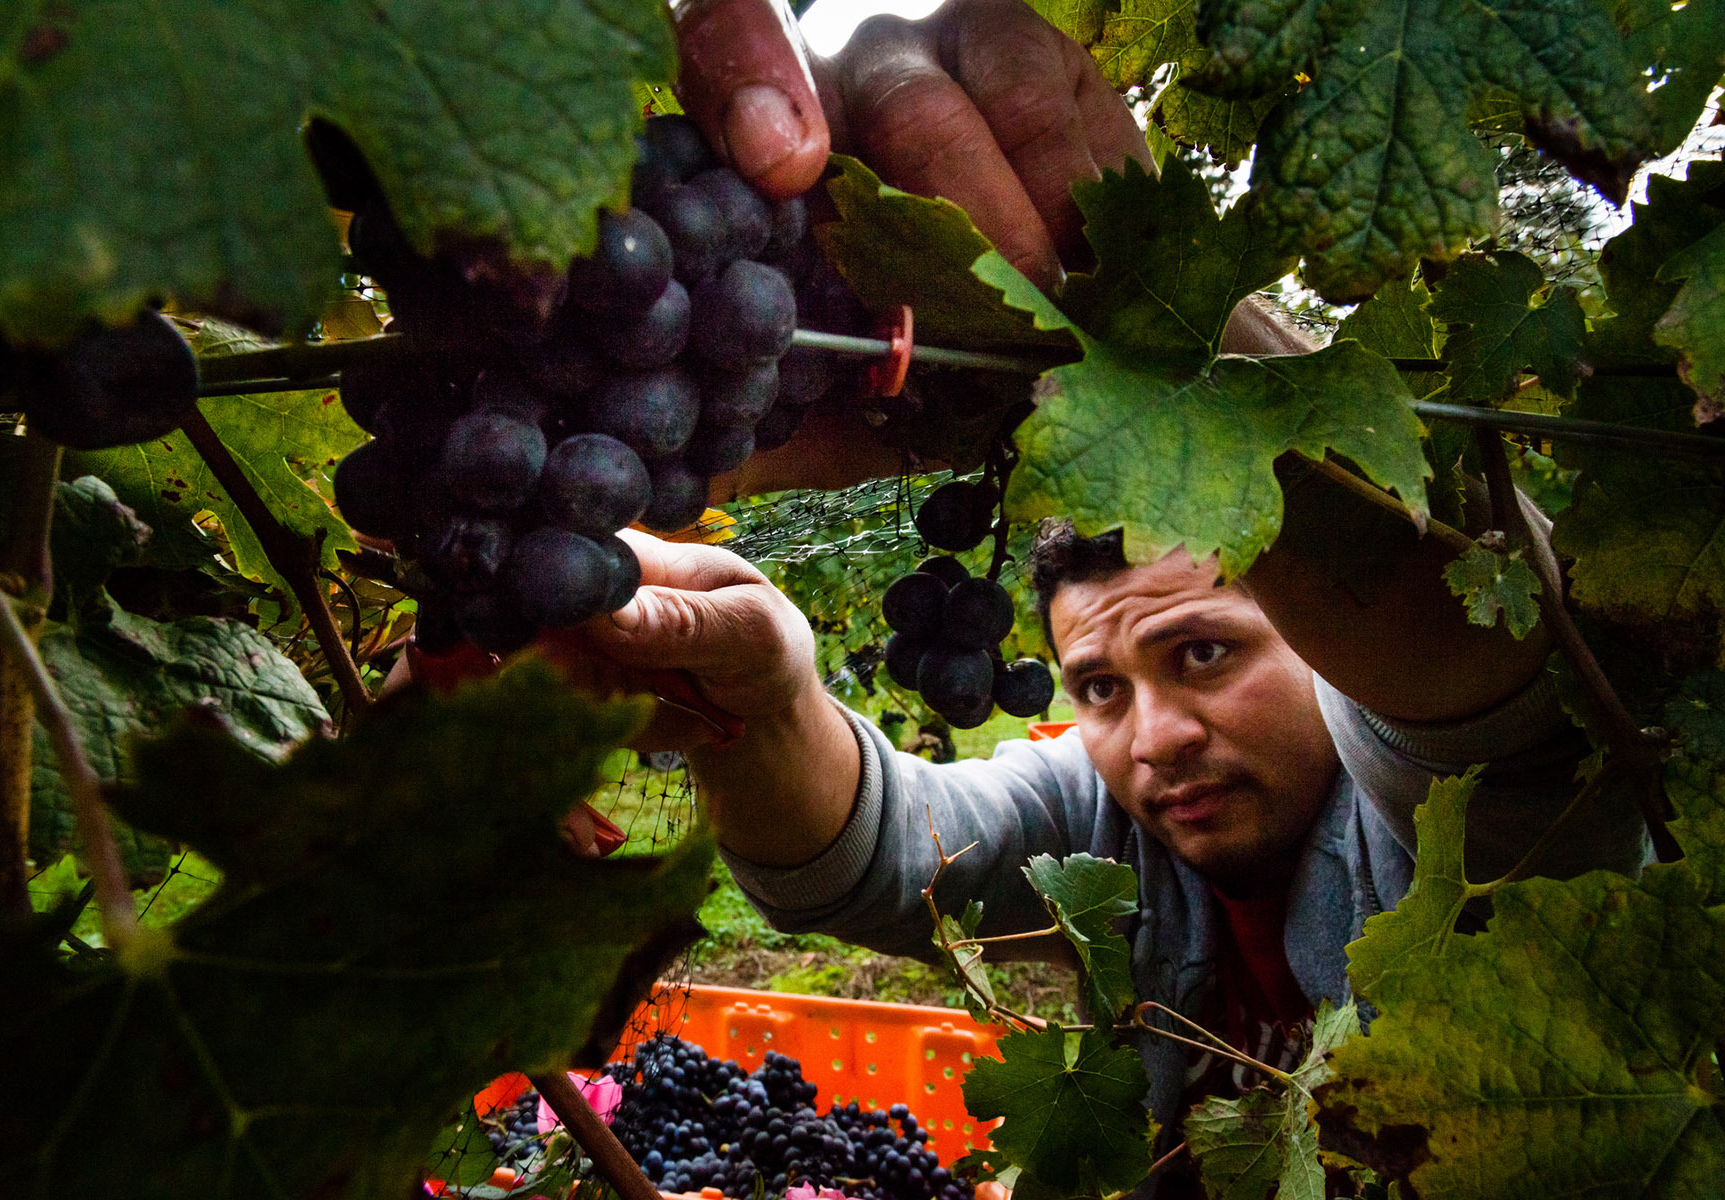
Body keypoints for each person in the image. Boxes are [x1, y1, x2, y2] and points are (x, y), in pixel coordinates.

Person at [558, 0, 1650, 1186]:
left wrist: (1143, 313)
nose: (1156, 737)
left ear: (1312, 641)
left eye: (1204, 654)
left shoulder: (1452, 823)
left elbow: (1492, 683)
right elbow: (876, 858)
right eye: (1099, 687)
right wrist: (764, 693)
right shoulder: (1110, 822)